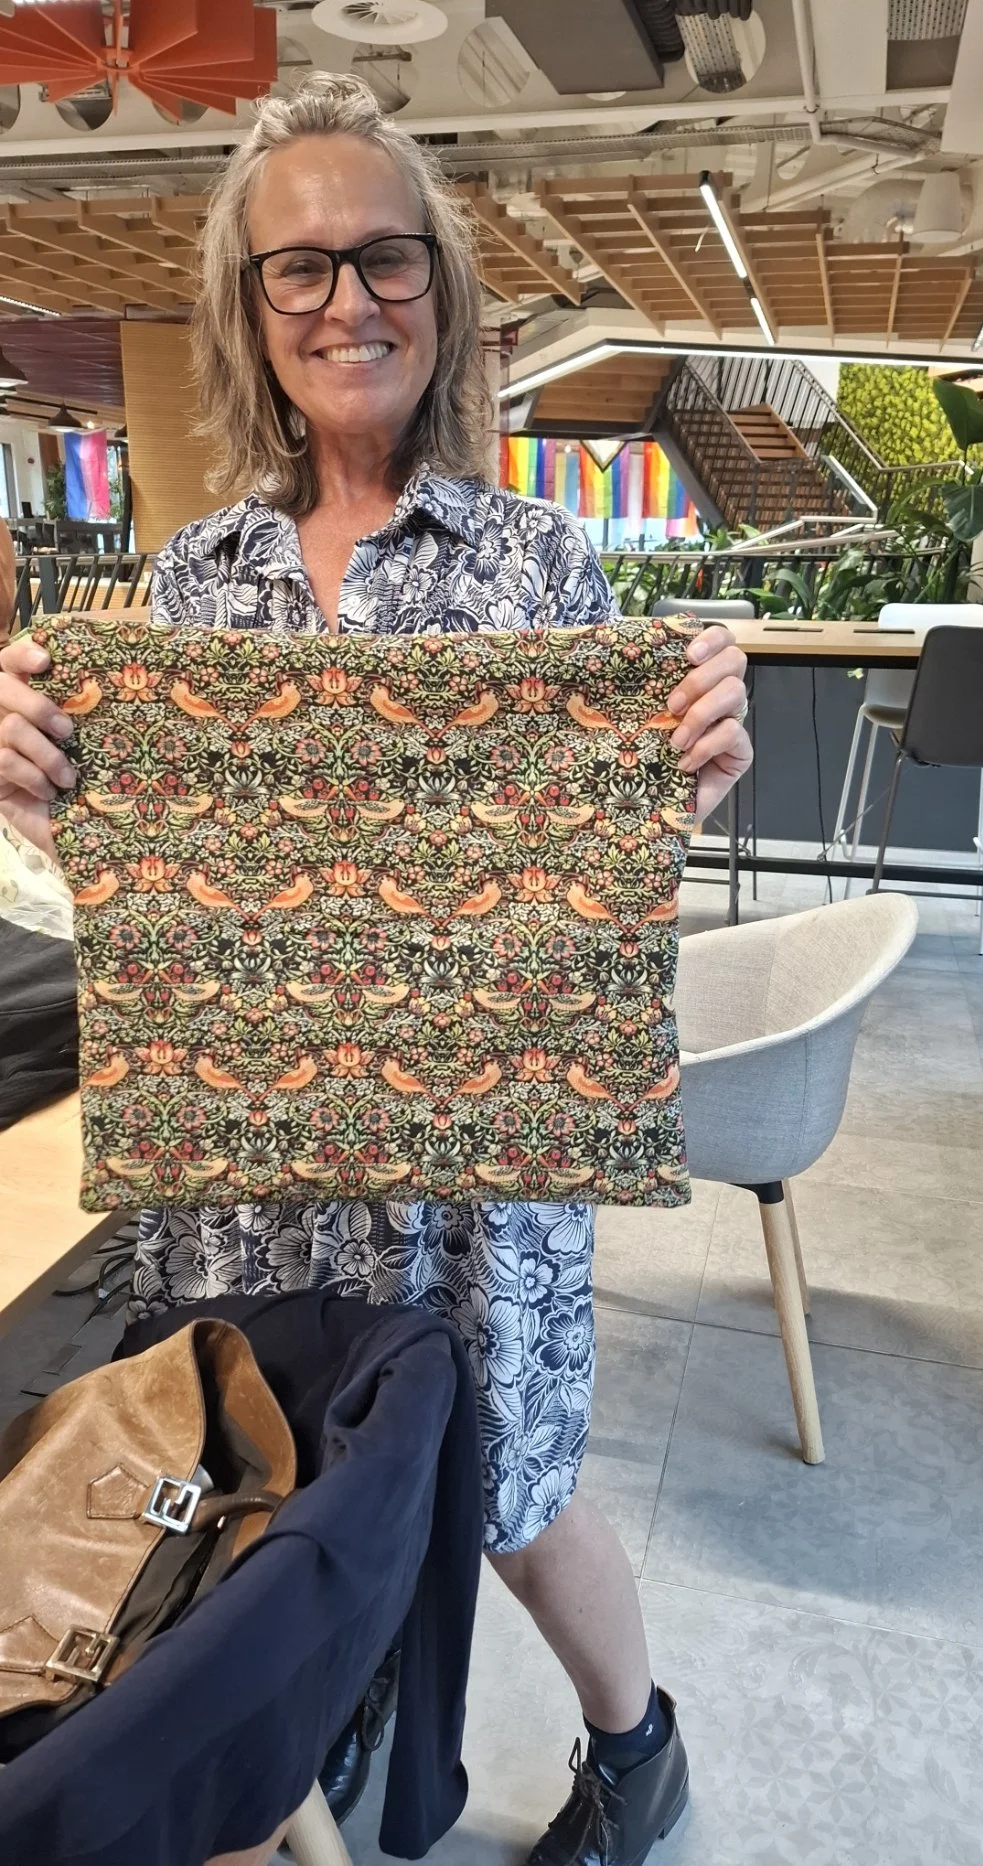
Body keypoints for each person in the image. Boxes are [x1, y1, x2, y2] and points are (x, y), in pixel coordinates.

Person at [0, 75, 752, 1866]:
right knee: (277, 1484)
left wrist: (687, 769)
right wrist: (35, 768)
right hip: (252, 1166)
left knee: (509, 1485)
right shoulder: (192, 580)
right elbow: (140, 884)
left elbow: (604, 868)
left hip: (476, 1157)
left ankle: (637, 1748)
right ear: (251, 309)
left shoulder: (538, 559)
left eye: (384, 257)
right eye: (301, 266)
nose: (347, 300)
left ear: (441, 285)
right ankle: (330, 1723)